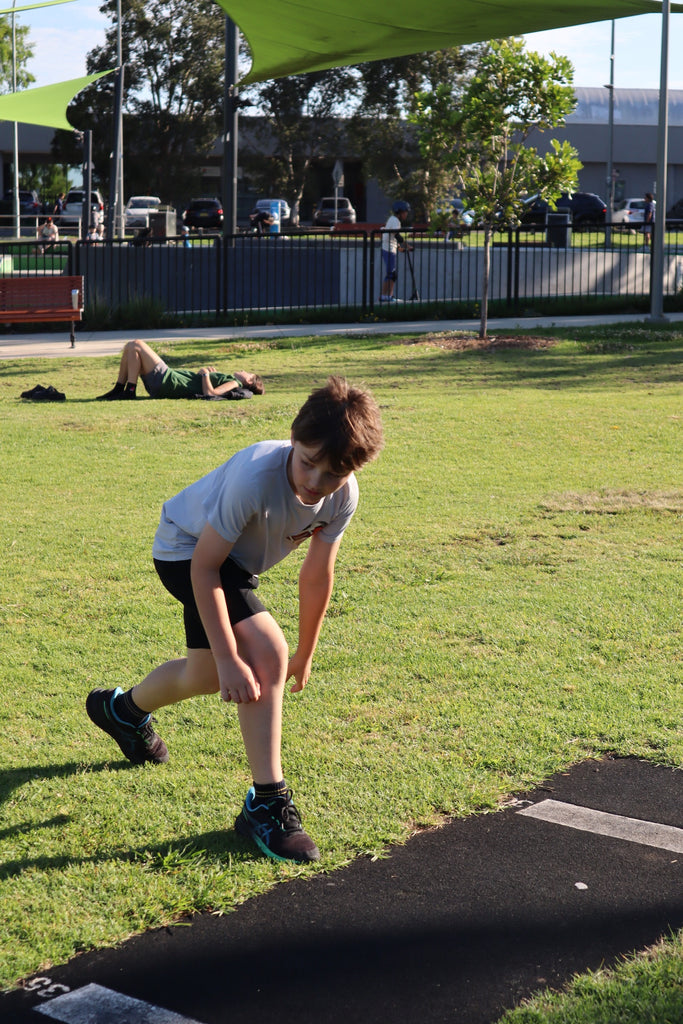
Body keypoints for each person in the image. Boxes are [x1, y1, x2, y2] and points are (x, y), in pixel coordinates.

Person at [86, 376, 384, 863]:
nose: (314, 483)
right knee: (265, 653)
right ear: (293, 440)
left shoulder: (342, 494)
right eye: (308, 464)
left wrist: (307, 651)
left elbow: (317, 575)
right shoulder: (256, 477)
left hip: (231, 565)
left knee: (200, 676)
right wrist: (230, 657)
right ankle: (265, 805)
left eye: (331, 475)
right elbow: (205, 567)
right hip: (185, 550)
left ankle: (123, 710)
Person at [95, 339, 264, 401]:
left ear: (249, 381)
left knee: (136, 344)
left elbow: (211, 394)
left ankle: (128, 391)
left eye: (248, 373)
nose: (244, 370)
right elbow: (206, 386)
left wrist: (205, 373)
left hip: (169, 381)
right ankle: (120, 390)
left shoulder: (234, 383)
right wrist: (208, 375)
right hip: (167, 381)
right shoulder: (229, 379)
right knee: (130, 348)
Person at [380, 200, 412, 302]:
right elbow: (396, 235)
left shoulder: (394, 220)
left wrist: (399, 248)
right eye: (405, 212)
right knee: (391, 274)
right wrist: (407, 246)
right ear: (400, 212)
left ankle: (388, 296)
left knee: (392, 274)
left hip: (390, 248)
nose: (406, 214)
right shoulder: (394, 220)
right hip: (388, 249)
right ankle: (385, 296)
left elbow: (392, 236)